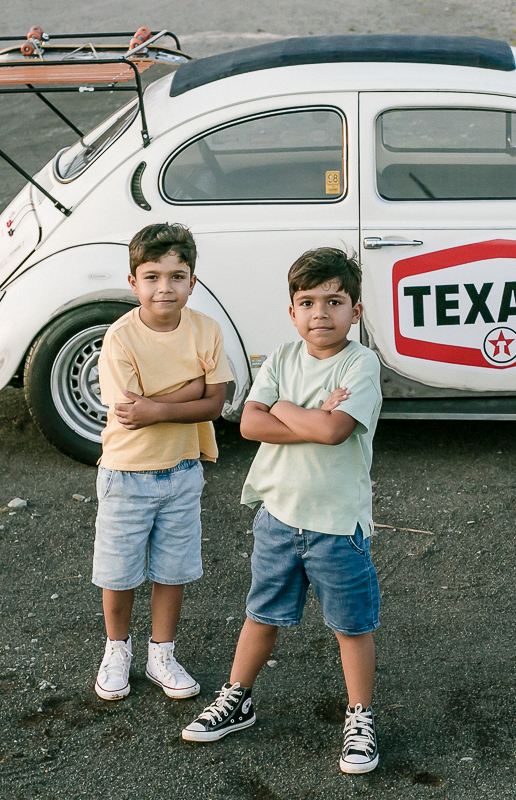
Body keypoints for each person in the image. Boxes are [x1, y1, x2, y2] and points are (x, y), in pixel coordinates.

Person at [181, 247, 383, 775]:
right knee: (261, 613)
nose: (321, 313)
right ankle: (238, 697)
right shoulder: (281, 358)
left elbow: (335, 431)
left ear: (355, 311)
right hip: (277, 516)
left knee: (351, 626)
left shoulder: (361, 364)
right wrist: (307, 415)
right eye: (307, 302)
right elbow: (249, 425)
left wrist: (287, 410)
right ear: (292, 312)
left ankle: (360, 718)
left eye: (334, 301)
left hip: (337, 524)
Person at [91, 222, 233, 702]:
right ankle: (117, 649)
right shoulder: (121, 338)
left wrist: (161, 406)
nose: (165, 288)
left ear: (193, 280)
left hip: (183, 470)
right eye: (152, 276)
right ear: (133, 282)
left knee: (173, 570)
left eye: (177, 276)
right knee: (119, 571)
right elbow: (131, 413)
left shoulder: (205, 330)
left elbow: (217, 404)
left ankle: (162, 653)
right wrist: (192, 389)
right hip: (126, 474)